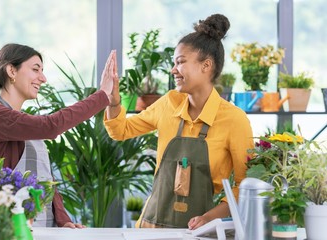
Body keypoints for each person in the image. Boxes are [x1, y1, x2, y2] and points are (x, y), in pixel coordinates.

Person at [104, 14, 254, 229]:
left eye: (180, 62)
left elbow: (246, 186)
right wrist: (113, 101)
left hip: (198, 232)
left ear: (206, 65)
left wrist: (209, 218)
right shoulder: (169, 104)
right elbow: (120, 130)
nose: (173, 70)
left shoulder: (234, 120)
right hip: (149, 228)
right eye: (173, 63)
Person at [0, 43, 117, 228]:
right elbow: (52, 126)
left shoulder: (25, 125)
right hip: (13, 230)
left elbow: (45, 179)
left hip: (44, 228)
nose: (43, 78)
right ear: (11, 71)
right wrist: (102, 94)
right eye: (35, 69)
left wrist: (63, 220)